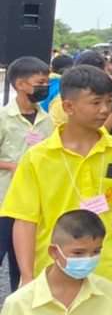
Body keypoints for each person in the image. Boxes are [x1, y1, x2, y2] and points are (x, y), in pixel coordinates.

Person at [2, 65, 112, 288]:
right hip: (52, 269)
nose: (105, 110)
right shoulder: (38, 158)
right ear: (68, 106)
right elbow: (25, 221)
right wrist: (26, 277)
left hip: (107, 271)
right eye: (96, 102)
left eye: (109, 101)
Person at [1, 56, 54, 290]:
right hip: (4, 200)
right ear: (21, 84)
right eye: (40, 83)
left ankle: (18, 302)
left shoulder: (47, 120)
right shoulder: (4, 118)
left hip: (32, 204)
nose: (45, 87)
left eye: (46, 82)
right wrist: (12, 167)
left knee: (22, 261)